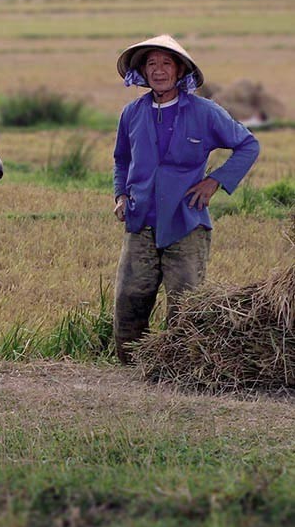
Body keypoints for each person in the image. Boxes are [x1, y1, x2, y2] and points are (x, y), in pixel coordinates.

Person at [111, 34, 259, 364]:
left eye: (167, 63)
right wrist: (120, 195)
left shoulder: (206, 113)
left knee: (185, 304)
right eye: (152, 64)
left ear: (181, 71)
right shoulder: (131, 114)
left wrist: (215, 181)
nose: (159, 70)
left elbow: (248, 145)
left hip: (187, 223)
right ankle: (129, 371)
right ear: (143, 72)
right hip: (140, 222)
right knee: (130, 299)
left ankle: (179, 368)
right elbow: (121, 158)